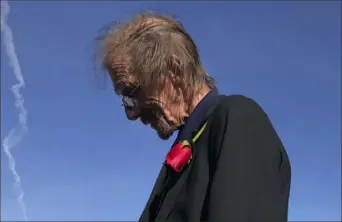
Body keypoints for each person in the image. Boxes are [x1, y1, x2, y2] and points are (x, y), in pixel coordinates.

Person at [96, 12, 291, 222]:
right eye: (124, 100)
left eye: (131, 92)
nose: (130, 113)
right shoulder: (189, 145)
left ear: (174, 70)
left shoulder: (239, 120)